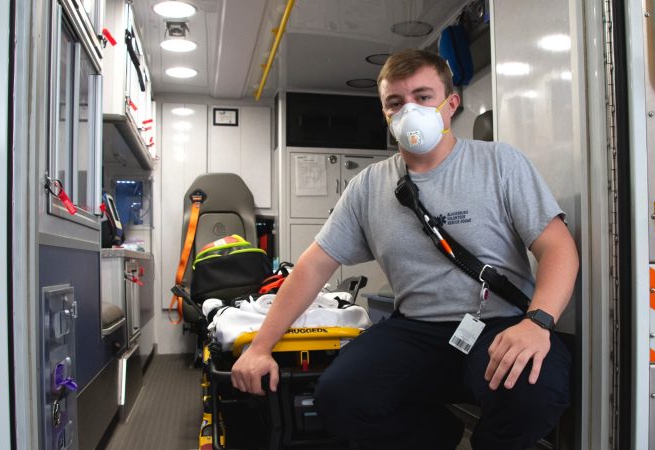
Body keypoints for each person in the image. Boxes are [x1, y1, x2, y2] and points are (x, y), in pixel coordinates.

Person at [231, 48, 579, 450]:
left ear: (451, 104)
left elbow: (557, 248)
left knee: (533, 393)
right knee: (340, 397)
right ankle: (438, 437)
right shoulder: (368, 186)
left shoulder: (500, 163)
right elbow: (313, 266)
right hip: (417, 330)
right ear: (386, 114)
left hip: (499, 324)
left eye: (423, 96)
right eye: (395, 103)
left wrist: (537, 322)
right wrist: (260, 347)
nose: (408, 110)